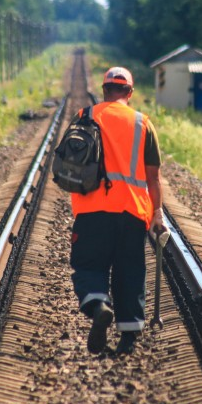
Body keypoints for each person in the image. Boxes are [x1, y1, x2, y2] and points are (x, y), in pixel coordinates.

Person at [69, 66, 164, 356]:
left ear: (104, 90)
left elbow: (70, 163)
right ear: (130, 92)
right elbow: (153, 178)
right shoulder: (143, 123)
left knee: (89, 266)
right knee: (130, 272)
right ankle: (128, 340)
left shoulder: (84, 116)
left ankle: (99, 305)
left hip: (91, 210)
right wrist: (157, 213)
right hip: (132, 212)